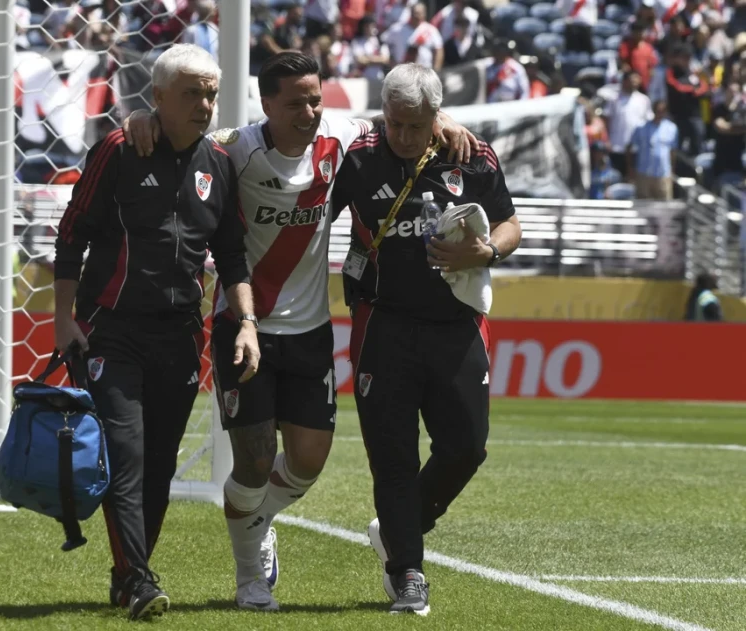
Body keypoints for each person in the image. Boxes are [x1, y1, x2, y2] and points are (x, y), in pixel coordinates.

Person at [122, 51, 478, 612]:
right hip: (244, 326)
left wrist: (443, 121)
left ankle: (259, 517)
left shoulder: (342, 137)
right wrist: (141, 119)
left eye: (315, 100)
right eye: (295, 104)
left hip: (311, 329)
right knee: (255, 459)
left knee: (307, 462)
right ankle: (250, 578)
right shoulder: (233, 148)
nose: (309, 112)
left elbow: (397, 119)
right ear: (266, 104)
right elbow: (179, 136)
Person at [53, 44, 260, 621]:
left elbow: (232, 256)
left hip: (180, 336)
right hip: (111, 330)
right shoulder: (120, 148)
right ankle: (139, 579)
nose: (204, 104)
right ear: (158, 97)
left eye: (211, 94)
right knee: (126, 454)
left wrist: (247, 322)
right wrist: (63, 317)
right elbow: (72, 232)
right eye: (191, 93)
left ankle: (127, 576)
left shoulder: (219, 164)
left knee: (160, 464)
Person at [331, 63, 522, 616]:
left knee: (467, 447)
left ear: (437, 116)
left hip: (456, 324)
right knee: (393, 456)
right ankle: (407, 573)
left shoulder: (472, 156)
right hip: (382, 324)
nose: (403, 135)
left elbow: (511, 224)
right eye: (395, 123)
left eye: (415, 125)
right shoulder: (359, 157)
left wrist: (487, 251)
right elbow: (313, 198)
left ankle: (400, 528)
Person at [627, 100, 678, 200]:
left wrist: (672, 170)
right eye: (658, 111)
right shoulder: (641, 127)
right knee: (643, 203)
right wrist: (630, 168)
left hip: (663, 173)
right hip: (643, 173)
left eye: (662, 111)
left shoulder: (672, 128)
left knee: (664, 203)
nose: (660, 113)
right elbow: (630, 148)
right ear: (654, 111)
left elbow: (673, 151)